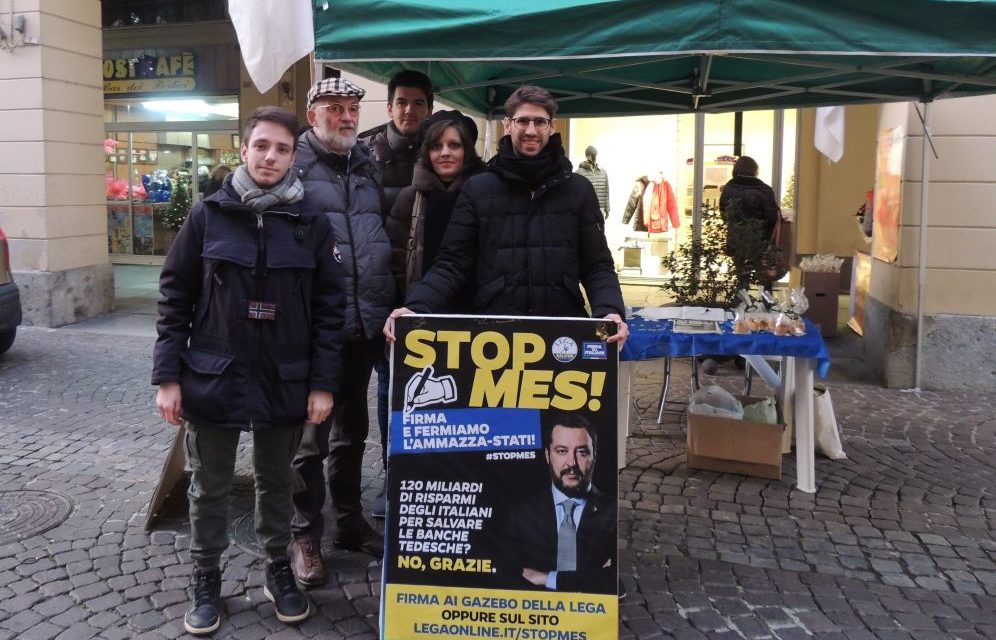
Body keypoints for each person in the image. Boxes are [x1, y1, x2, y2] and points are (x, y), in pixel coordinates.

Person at [152, 106, 345, 635]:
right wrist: (169, 378)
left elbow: (331, 312)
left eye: (282, 148)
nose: (271, 156)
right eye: (262, 145)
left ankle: (277, 567)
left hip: (284, 376)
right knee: (208, 485)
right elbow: (175, 298)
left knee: (277, 482)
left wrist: (323, 384)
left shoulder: (311, 224)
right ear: (244, 149)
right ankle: (206, 574)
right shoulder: (208, 215)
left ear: (293, 155)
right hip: (213, 374)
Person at [383, 85, 628, 347]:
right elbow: (451, 263)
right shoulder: (479, 189)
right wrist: (416, 308)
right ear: (508, 125)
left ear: (552, 126)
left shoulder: (578, 189)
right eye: (522, 121)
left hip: (562, 334)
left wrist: (609, 311)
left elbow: (597, 265)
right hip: (494, 337)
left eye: (539, 121)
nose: (531, 130)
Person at [290, 77, 394, 588]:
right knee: (310, 439)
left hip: (363, 325)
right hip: (314, 332)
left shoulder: (367, 165)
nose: (346, 116)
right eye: (334, 108)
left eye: (352, 107)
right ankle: (304, 535)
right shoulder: (295, 167)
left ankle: (348, 525)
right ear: (313, 116)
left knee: (353, 433)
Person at [358, 69, 434, 520]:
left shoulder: (442, 147)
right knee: (367, 391)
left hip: (418, 295)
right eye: (402, 102)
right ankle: (368, 480)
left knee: (406, 389)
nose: (409, 110)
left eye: (418, 103)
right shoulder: (364, 151)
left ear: (429, 107)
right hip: (368, 290)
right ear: (389, 106)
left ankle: (400, 478)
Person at [504, 414, 617, 594]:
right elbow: (508, 575)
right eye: (562, 451)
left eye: (582, 452)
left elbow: (614, 583)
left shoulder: (613, 511)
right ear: (548, 456)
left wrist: (545, 578)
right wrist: (591, 577)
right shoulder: (521, 512)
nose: (571, 463)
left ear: (594, 455)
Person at [385, 109, 484, 304]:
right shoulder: (410, 198)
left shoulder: (485, 195)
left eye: (454, 145)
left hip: (477, 312)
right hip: (421, 308)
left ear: (467, 150)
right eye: (436, 146)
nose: (445, 153)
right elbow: (395, 260)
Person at [718, 155, 781, 290]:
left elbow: (724, 211)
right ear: (754, 170)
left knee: (741, 272)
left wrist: (734, 226)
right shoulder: (764, 189)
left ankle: (741, 300)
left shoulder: (729, 187)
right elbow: (771, 217)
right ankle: (766, 302)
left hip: (737, 237)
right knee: (764, 274)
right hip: (760, 239)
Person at [575, 145, 609, 220]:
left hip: (600, 209)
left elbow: (606, 191)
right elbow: (576, 193)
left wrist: (607, 208)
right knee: (587, 230)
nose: (594, 157)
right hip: (585, 209)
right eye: (592, 155)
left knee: (600, 231)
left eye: (595, 154)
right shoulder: (579, 172)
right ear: (587, 156)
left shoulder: (603, 172)